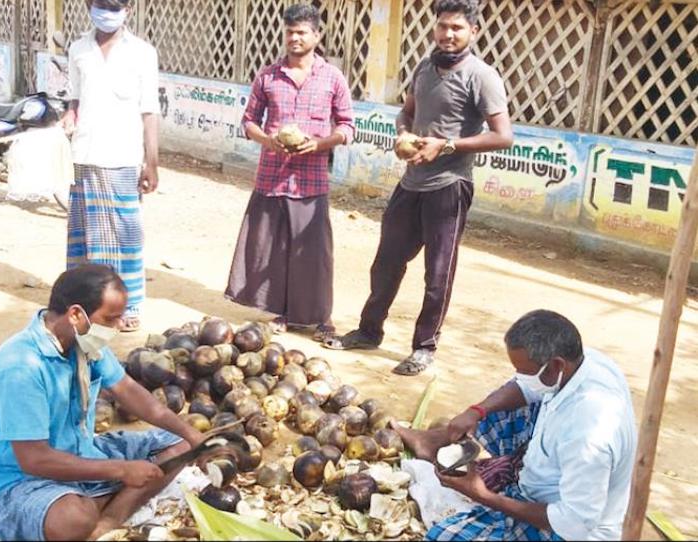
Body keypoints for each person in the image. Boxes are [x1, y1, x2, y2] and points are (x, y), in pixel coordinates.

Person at [324, 0, 513, 375]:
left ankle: (424, 347)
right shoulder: (425, 68)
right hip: (411, 184)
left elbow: (503, 136)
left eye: (457, 28)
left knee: (437, 274)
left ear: (473, 32)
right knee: (386, 263)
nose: (448, 34)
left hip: (449, 186)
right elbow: (406, 112)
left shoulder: (482, 76)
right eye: (443, 26)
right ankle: (368, 330)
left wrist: (446, 145)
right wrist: (404, 133)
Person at [0, 265, 207, 541]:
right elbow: (33, 459)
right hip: (18, 482)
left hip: (82, 454)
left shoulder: (85, 344)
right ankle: (97, 504)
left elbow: (128, 390)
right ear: (76, 315)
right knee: (73, 518)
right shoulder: (20, 368)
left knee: (177, 446)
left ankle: (107, 520)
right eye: (111, 318)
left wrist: (193, 436)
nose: (119, 326)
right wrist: (121, 470)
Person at [393, 310, 638, 541]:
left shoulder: (587, 436)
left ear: (556, 365)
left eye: (525, 371)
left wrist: (483, 496)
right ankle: (434, 440)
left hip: (568, 530)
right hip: (553, 469)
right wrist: (476, 411)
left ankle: (509, 492)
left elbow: (573, 524)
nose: (520, 377)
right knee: (501, 406)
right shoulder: (586, 362)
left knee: (441, 537)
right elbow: (523, 388)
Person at [225, 3, 355, 342]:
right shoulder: (268, 76)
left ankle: (321, 316)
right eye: (290, 32)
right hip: (272, 177)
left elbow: (347, 126)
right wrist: (268, 140)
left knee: (315, 252)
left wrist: (322, 143)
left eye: (302, 32)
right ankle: (282, 312)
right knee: (274, 249)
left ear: (316, 35)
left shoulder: (332, 78)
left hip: (312, 180)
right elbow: (248, 121)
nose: (295, 38)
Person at [62, 0, 160, 332]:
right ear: (89, 5)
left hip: (123, 160)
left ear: (128, 8)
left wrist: (153, 161)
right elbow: (74, 97)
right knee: (86, 237)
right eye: (101, 5)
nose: (107, 12)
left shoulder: (143, 53)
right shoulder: (78, 48)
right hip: (85, 156)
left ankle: (127, 305)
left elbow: (150, 110)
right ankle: (88, 304)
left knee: (127, 236)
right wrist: (69, 115)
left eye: (114, 6)